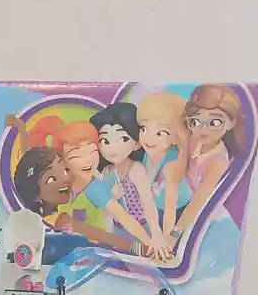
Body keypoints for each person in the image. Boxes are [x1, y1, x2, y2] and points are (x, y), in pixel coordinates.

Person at [6, 115, 147, 256]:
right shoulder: (57, 196)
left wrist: (144, 245)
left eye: (93, 152)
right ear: (64, 159)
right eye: (75, 156)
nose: (87, 161)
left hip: (100, 250)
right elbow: (29, 163)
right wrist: (21, 128)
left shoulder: (93, 189)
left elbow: (116, 221)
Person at [88, 103, 172, 261]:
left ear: (137, 143)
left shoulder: (135, 169)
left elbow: (148, 202)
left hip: (143, 228)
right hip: (118, 230)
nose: (113, 148)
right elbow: (106, 209)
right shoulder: (106, 172)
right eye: (105, 141)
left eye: (123, 139)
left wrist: (156, 234)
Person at [170, 84, 246, 240]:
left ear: (231, 122)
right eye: (195, 122)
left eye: (214, 122)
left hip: (203, 218)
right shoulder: (192, 139)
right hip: (180, 202)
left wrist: (174, 235)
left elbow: (198, 203)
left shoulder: (218, 163)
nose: (203, 129)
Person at [137, 91, 192, 241]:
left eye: (160, 133)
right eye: (144, 128)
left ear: (176, 136)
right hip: (157, 207)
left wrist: (167, 239)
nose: (149, 137)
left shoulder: (171, 165)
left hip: (176, 211)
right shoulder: (149, 152)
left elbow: (170, 208)